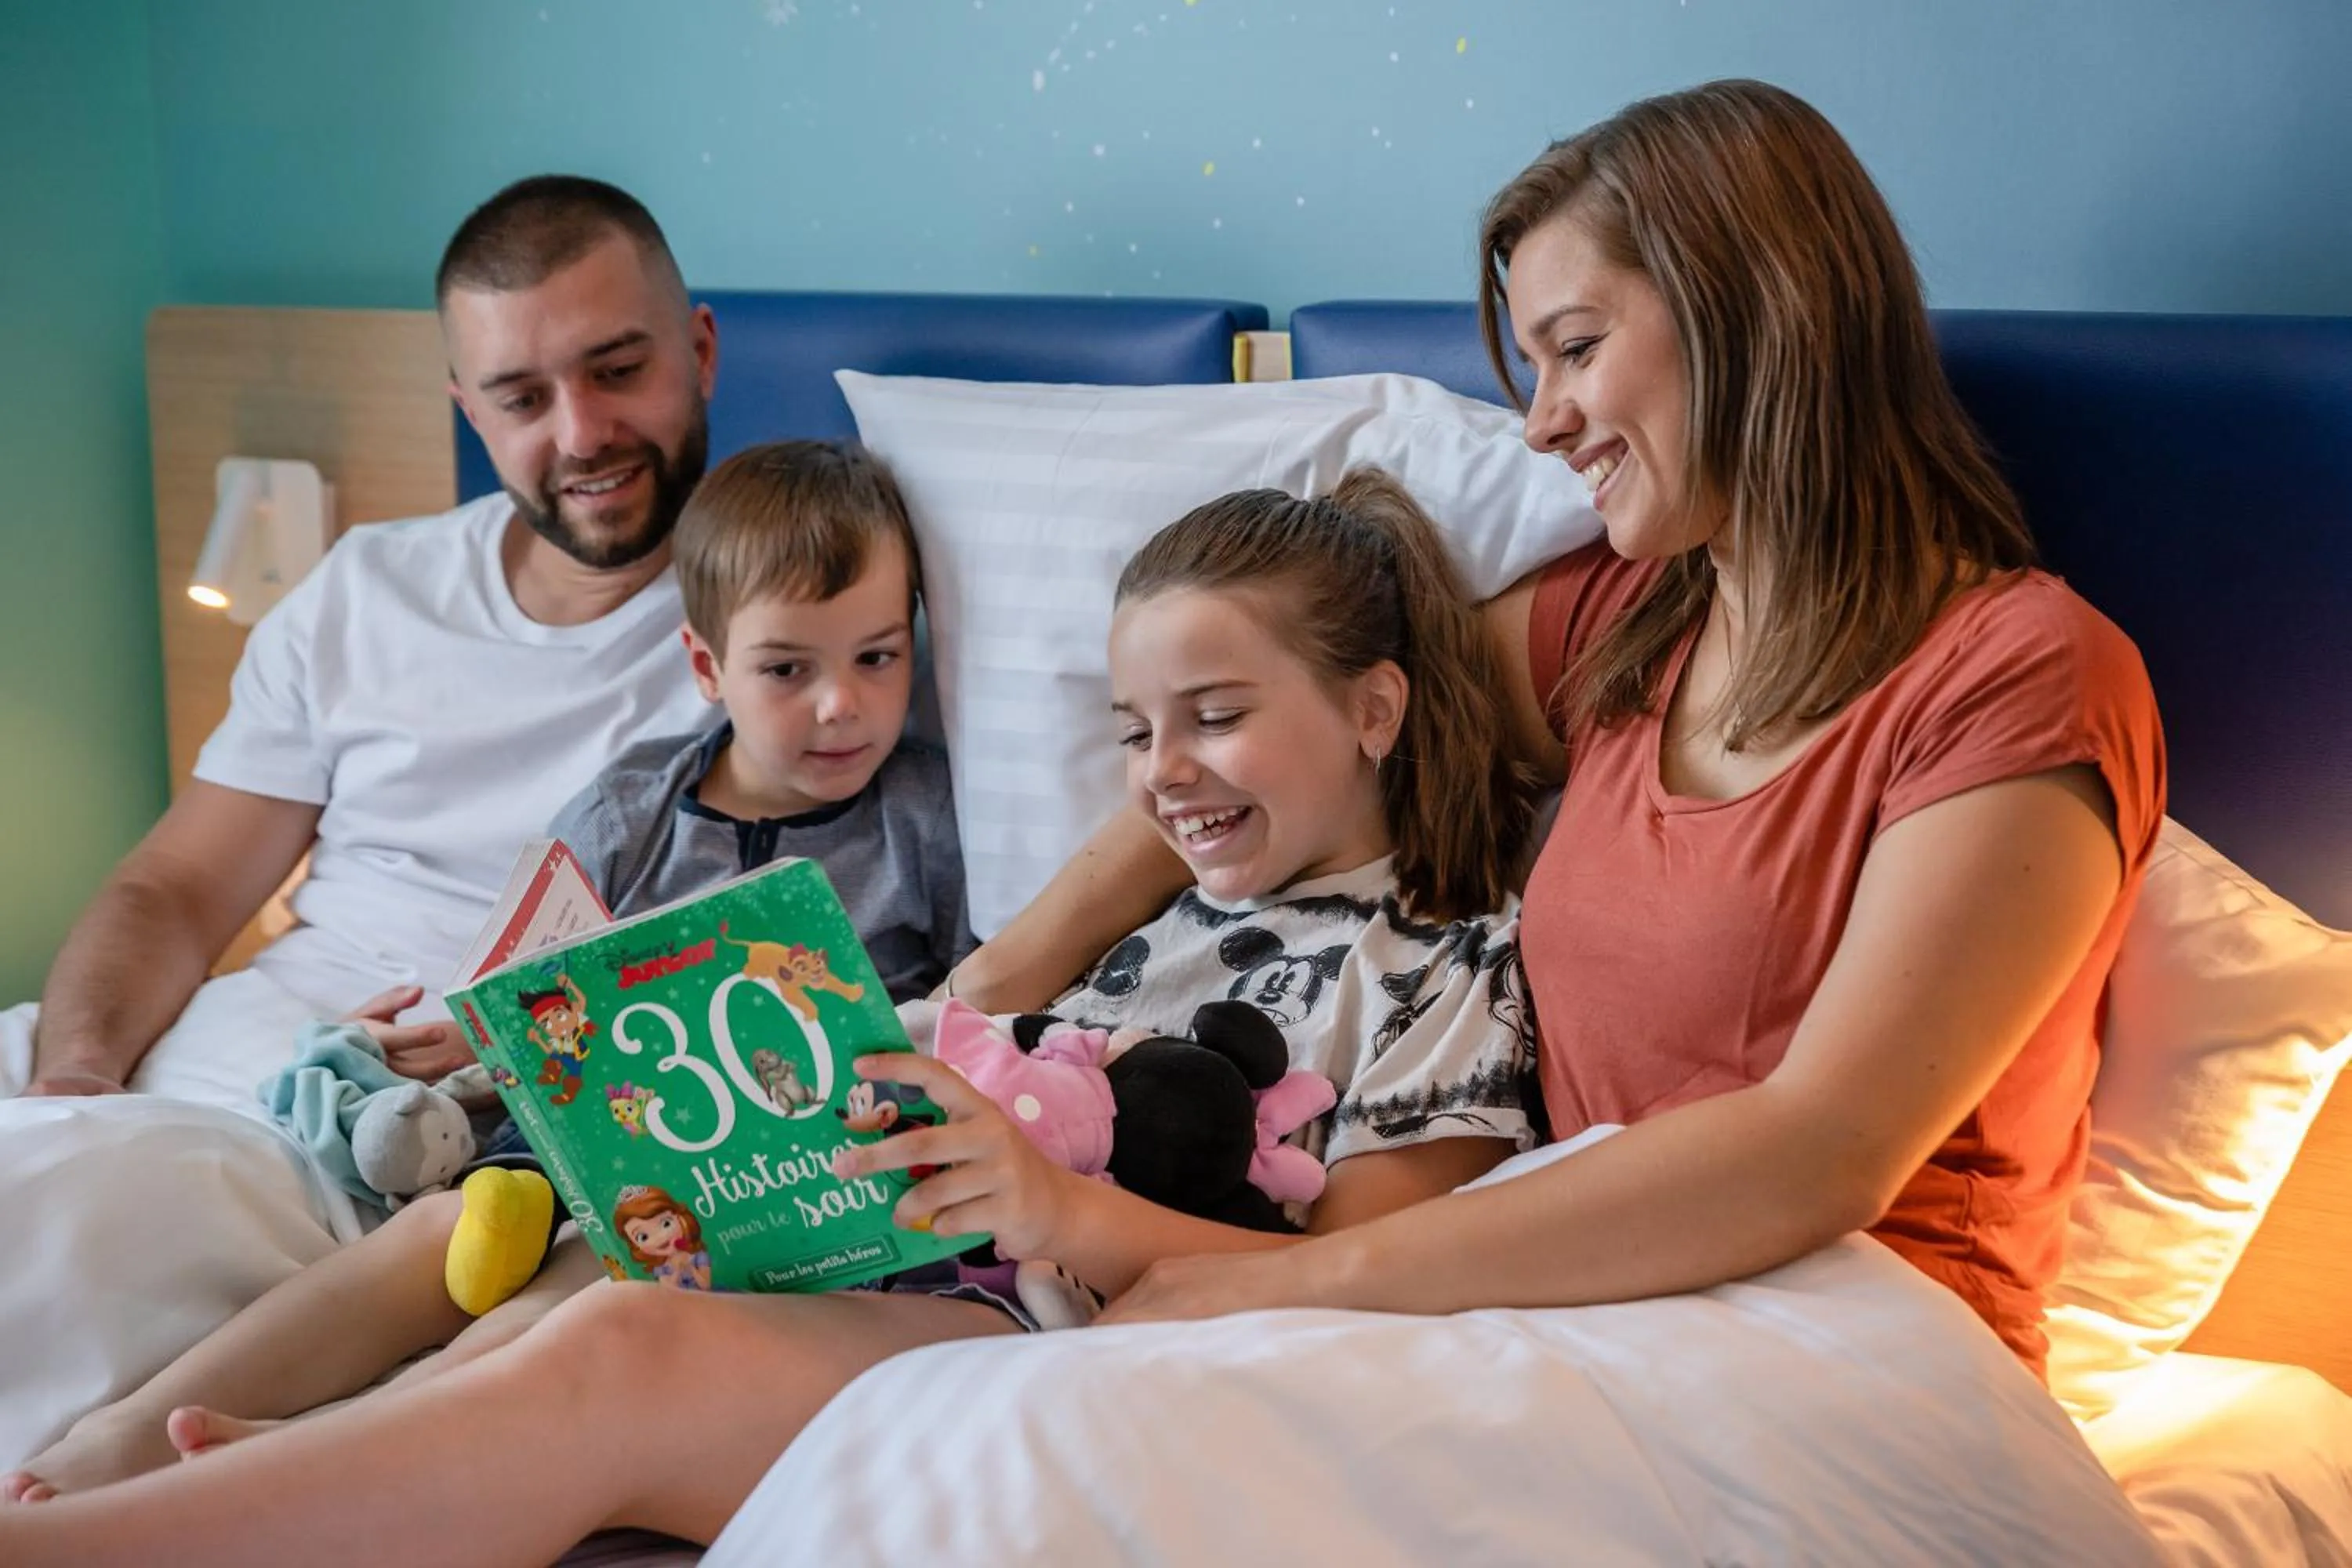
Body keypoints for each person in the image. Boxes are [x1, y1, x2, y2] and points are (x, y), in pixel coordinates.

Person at [0, 467, 1544, 1564]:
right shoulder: (1158, 907)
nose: (1164, 772)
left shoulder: (1442, 965)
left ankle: (157, 1531)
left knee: (620, 1338)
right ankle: (104, 1457)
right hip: (901, 1223)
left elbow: (1361, 1278)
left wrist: (1058, 1198)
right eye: (1135, 731)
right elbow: (979, 1010)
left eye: (1215, 717)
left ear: (1375, 710)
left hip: (1046, 1314)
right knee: (519, 1210)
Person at [1095, 79, 2166, 1387]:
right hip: (1587, 1329)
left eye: (1578, 347)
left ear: (1751, 312)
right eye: (1532, 369)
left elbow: (1817, 1148)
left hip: (1860, 1352)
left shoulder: (2021, 677)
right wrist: (983, 985)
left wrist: (1288, 1288)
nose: (1541, 419)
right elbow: (1270, 730)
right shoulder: (1633, 626)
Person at [2, 438, 975, 1499]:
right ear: (707, 668)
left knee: (583, 1279)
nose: (841, 705)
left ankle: (342, 1449)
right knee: (439, 1235)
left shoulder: (923, 822)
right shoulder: (630, 809)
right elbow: (523, 980)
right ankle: (135, 1428)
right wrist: (474, 1041)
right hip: (584, 1138)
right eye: (789, 669)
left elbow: (970, 1013)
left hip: (769, 1176)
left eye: (878, 658)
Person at [0, 173, 727, 1469]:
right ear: (469, 408)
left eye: (619, 369)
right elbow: (172, 891)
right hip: (141, 1073)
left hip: (374, 1151)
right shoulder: (364, 594)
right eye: (521, 397)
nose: (583, 431)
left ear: (701, 348)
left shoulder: (803, 633)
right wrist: (74, 1085)